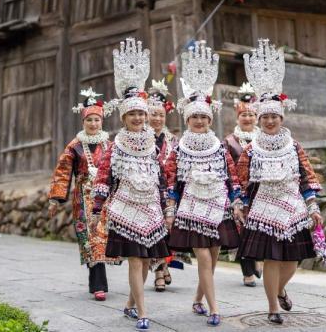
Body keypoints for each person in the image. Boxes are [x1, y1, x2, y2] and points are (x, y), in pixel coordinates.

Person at [236, 39, 324, 325]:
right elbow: (242, 181)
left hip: (293, 206)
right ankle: (272, 306)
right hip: (264, 208)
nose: (270, 121)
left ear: (281, 117)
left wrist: (312, 205)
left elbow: (307, 177)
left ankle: (281, 289)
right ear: (259, 120)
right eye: (266, 117)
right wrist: (242, 204)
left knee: (292, 260)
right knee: (272, 260)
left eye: (274, 116)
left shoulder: (294, 146)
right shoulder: (251, 150)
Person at [164, 41, 244, 327]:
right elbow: (171, 182)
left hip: (218, 207)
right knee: (204, 260)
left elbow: (232, 177)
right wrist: (170, 210)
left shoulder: (220, 147)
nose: (199, 120)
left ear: (210, 119)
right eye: (194, 116)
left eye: (203, 117)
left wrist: (237, 202)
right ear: (187, 119)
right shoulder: (179, 147)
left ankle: (198, 300)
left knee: (212, 257)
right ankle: (214, 309)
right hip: (192, 209)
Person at [93, 38, 169, 331]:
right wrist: (99, 206)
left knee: (148, 260)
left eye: (142, 113)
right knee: (136, 261)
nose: (138, 118)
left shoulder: (153, 144)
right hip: (125, 207)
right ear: (124, 116)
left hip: (150, 207)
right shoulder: (115, 145)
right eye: (133, 114)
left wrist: (167, 207)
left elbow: (161, 177)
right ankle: (144, 312)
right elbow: (104, 176)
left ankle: (130, 304)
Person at [47, 87, 115, 302]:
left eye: (97, 120)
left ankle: (98, 281)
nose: (93, 124)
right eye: (89, 120)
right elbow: (63, 172)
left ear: (101, 121)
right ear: (83, 122)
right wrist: (55, 199)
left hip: (107, 199)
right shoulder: (74, 146)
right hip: (84, 198)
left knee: (104, 239)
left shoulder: (110, 145)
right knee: (90, 239)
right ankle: (98, 285)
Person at [146, 79, 185, 292]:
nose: (158, 118)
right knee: (154, 232)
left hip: (168, 191)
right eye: (153, 114)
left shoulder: (173, 140)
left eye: (161, 115)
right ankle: (159, 272)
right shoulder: (140, 139)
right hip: (148, 191)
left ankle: (164, 265)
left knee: (167, 232)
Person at [223, 82, 262, 287]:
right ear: (237, 117)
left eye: (251, 115)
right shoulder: (229, 141)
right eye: (243, 115)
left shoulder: (264, 139)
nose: (247, 118)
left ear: (256, 117)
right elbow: (227, 168)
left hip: (261, 190)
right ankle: (247, 271)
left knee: (259, 229)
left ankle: (258, 260)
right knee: (243, 230)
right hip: (239, 189)